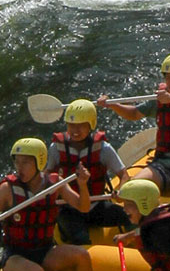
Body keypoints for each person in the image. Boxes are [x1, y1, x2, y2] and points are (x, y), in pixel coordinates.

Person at [0, 137, 93, 271]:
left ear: (39, 162)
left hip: (45, 250)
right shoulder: (7, 189)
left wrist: (83, 184)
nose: (19, 168)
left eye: (25, 162)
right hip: (15, 256)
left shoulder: (54, 184)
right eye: (17, 162)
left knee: (82, 256)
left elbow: (83, 207)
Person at [102, 52, 170, 191]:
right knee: (134, 188)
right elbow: (135, 113)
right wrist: (114, 106)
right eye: (168, 77)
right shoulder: (162, 98)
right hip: (162, 162)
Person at [48, 99, 131, 246]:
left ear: (91, 125)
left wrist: (121, 191)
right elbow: (45, 176)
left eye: (81, 125)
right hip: (69, 208)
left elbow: (123, 174)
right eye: (71, 125)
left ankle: (140, 246)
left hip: (97, 205)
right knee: (80, 240)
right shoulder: (56, 148)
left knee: (132, 217)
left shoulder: (103, 148)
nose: (75, 130)